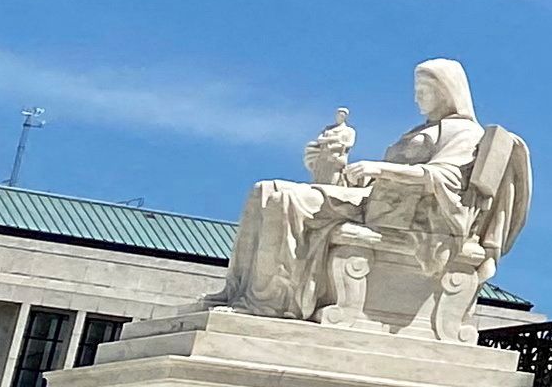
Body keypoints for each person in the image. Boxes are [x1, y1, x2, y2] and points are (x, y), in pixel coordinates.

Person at [225, 59, 529, 335]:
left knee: (282, 197)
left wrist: (378, 168)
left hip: (412, 220)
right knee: (265, 191)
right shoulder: (421, 130)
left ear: (445, 91)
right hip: (379, 205)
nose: (417, 97)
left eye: (423, 90)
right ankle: (244, 293)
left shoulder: (465, 133)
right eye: (416, 90)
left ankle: (270, 302)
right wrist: (329, 165)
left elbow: (445, 177)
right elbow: (374, 185)